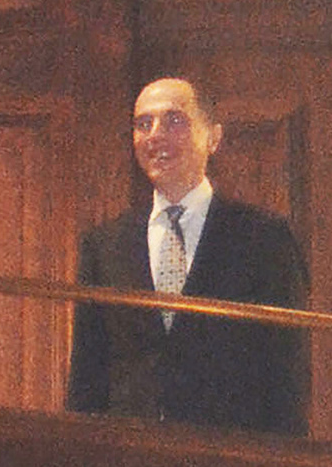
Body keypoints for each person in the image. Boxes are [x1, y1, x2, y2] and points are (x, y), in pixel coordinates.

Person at [66, 76, 311, 435]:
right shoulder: (104, 245)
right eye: (143, 124)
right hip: (127, 463)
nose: (155, 135)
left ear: (213, 137)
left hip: (230, 459)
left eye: (174, 121)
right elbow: (87, 373)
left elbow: (287, 370)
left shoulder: (264, 238)